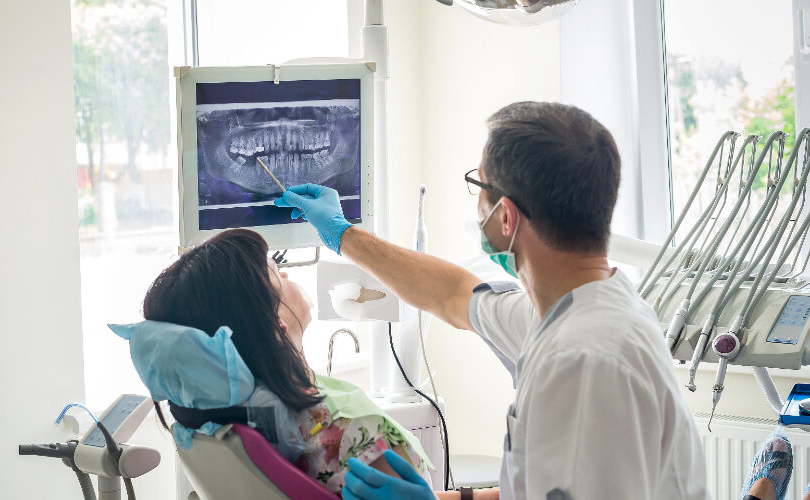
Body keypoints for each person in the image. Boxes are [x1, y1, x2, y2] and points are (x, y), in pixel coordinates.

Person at [274, 101, 711, 499]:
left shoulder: (582, 360)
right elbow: (451, 293)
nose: (476, 205)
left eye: (477, 185)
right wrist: (341, 234)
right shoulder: (576, 309)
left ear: (505, 217)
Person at [138, 228, 493, 498]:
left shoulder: (217, 424)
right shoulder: (352, 433)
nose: (289, 275)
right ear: (276, 324)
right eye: (277, 273)